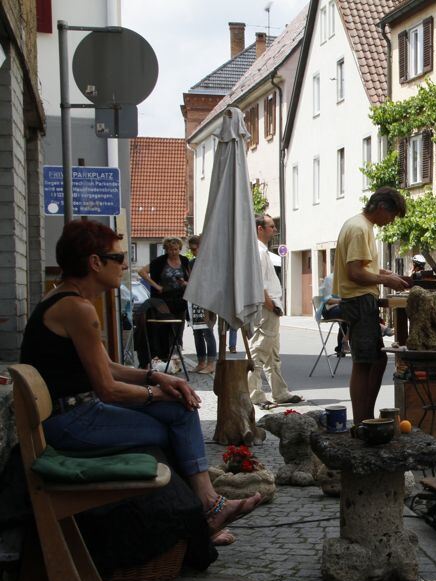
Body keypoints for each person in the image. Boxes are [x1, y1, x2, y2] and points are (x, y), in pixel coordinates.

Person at [20, 220, 262, 544]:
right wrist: (157, 393)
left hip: (74, 414)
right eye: (119, 259)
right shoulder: (77, 309)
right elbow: (108, 388)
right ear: (94, 262)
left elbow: (107, 367)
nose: (125, 266)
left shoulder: (66, 300)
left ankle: (208, 507)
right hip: (71, 421)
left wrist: (155, 375)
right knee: (171, 424)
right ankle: (199, 516)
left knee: (180, 411)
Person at [334, 187, 410, 424]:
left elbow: (360, 267)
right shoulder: (360, 229)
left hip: (358, 299)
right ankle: (362, 420)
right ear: (381, 208)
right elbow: (355, 272)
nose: (391, 221)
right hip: (358, 299)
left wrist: (383, 272)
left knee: (373, 360)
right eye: (393, 215)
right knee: (365, 361)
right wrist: (385, 279)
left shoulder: (359, 225)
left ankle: (365, 417)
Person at [247, 215, 302, 410]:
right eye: (271, 226)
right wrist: (271, 305)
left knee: (272, 354)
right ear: (260, 229)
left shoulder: (261, 250)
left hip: (271, 306)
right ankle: (254, 394)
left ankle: (280, 392)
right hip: (267, 307)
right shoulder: (259, 252)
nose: (275, 230)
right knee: (260, 352)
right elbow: (259, 284)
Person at [138, 236, 190, 365]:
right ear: (166, 249)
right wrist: (156, 286)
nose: (173, 252)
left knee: (178, 327)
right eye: (170, 249)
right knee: (164, 327)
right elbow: (142, 272)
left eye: (176, 249)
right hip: (163, 300)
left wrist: (184, 283)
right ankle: (163, 355)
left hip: (180, 299)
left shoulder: (184, 261)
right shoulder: (160, 262)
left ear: (180, 249)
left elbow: (193, 279)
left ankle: (176, 353)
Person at [186, 234, 217, 374]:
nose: (193, 252)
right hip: (194, 300)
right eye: (191, 249)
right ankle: (201, 362)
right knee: (197, 333)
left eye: (195, 249)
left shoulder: (210, 261)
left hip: (207, 301)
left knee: (207, 331)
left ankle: (211, 363)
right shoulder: (192, 263)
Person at [317, 273, 347, 357]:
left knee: (353, 312)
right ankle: (344, 343)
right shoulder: (330, 279)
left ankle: (341, 347)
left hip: (342, 308)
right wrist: (342, 301)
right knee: (350, 312)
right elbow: (327, 300)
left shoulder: (347, 277)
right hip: (329, 309)